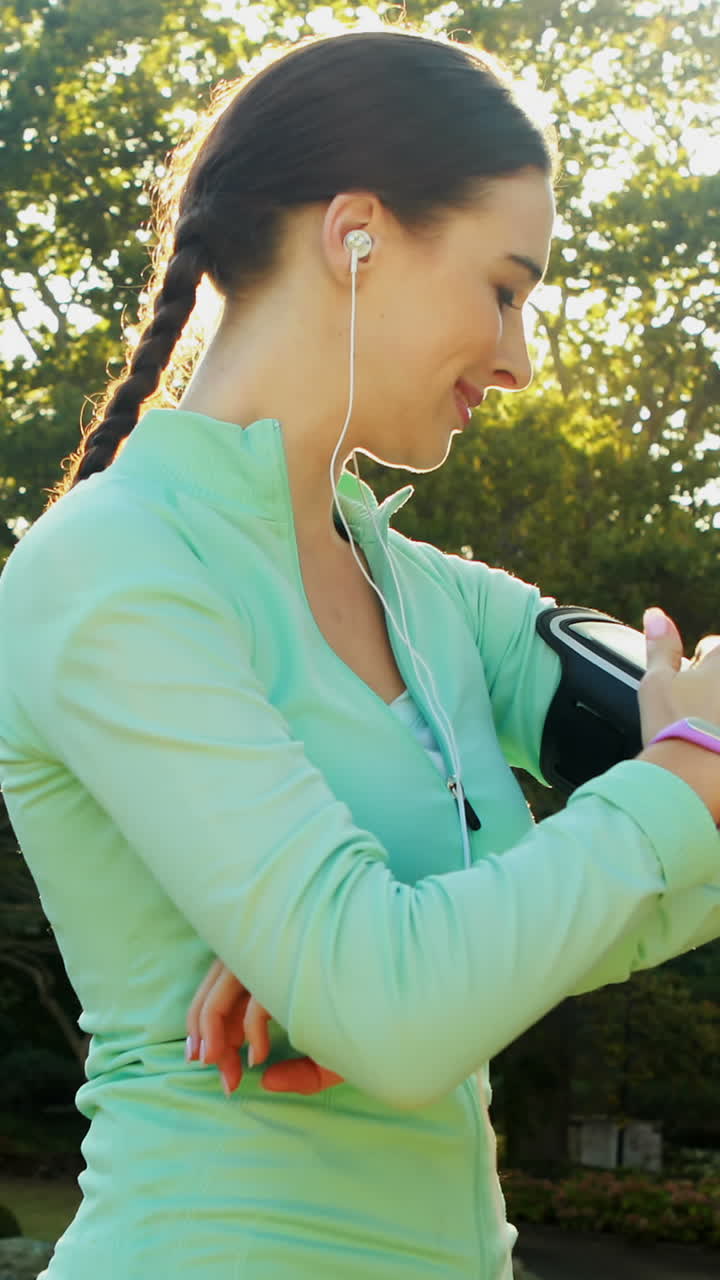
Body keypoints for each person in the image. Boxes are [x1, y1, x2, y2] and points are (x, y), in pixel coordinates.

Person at [0, 25, 718, 1280]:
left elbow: (673, 773)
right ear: (358, 234)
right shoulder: (106, 568)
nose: (522, 357)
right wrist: (388, 969)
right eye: (505, 287)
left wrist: (380, 957)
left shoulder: (438, 600)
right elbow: (399, 1008)